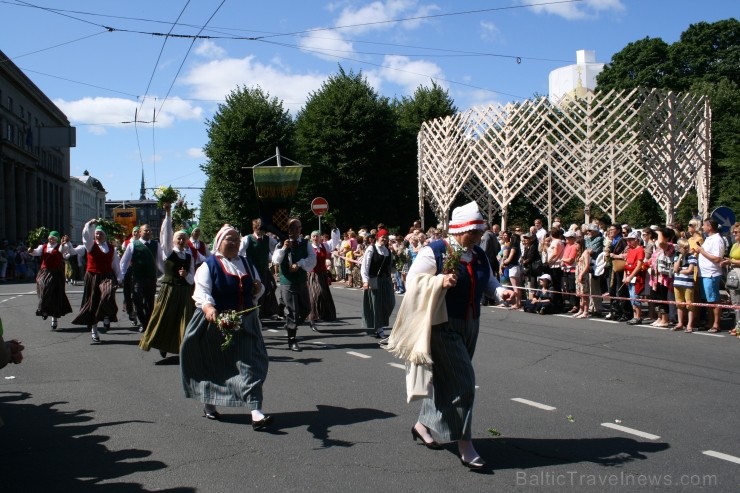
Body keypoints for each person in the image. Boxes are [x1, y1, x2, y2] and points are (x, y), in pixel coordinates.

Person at [386, 201, 514, 470]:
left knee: (449, 381)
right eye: (475, 232)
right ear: (460, 230)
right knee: (464, 382)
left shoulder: (477, 255)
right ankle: (464, 443)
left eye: (480, 232)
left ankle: (422, 425)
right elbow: (412, 282)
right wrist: (439, 281)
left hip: (471, 323)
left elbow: (488, 281)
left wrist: (502, 293)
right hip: (442, 325)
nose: (480, 237)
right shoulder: (435, 251)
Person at [180, 225, 273, 429]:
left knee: (252, 363)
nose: (234, 243)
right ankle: (209, 404)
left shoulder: (247, 264)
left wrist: (258, 288)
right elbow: (202, 292)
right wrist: (208, 307)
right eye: (229, 239)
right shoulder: (208, 265)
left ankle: (256, 412)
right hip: (217, 321)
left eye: (237, 240)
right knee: (215, 364)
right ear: (219, 241)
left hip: (245, 321)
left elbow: (257, 288)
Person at [139, 204, 195, 359]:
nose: (182, 240)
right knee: (164, 317)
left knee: (185, 319)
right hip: (169, 289)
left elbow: (192, 278)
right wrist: (168, 214)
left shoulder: (189, 256)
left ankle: (183, 347)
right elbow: (166, 235)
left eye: (184, 238)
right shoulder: (169, 252)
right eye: (179, 238)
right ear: (174, 240)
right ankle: (162, 344)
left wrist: (186, 276)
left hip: (184, 290)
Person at [70, 219, 123, 343]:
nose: (98, 235)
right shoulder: (90, 245)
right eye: (96, 233)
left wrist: (119, 277)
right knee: (93, 303)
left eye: (101, 233)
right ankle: (94, 329)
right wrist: (89, 224)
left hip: (107, 275)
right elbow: (85, 235)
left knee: (107, 293)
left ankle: (105, 315)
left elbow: (115, 264)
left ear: (105, 235)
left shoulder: (111, 248)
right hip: (93, 276)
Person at [271, 218, 316, 352]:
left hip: (301, 280)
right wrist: (284, 247)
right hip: (287, 282)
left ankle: (292, 324)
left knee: (306, 308)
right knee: (292, 312)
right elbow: (275, 260)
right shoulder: (281, 244)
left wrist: (300, 263)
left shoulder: (306, 243)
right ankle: (292, 340)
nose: (295, 231)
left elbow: (312, 259)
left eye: (298, 228)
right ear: (287, 230)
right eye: (292, 228)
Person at [120, 223, 162, 333]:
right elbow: (124, 262)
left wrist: (165, 274)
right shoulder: (133, 245)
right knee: (137, 300)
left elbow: (160, 262)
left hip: (151, 277)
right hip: (138, 277)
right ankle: (143, 321)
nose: (148, 232)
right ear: (140, 232)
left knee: (149, 302)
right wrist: (123, 276)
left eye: (149, 231)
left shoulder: (156, 245)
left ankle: (147, 323)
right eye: (145, 231)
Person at [27, 231, 73, 330]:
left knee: (55, 295)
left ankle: (54, 319)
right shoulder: (43, 247)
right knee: (43, 286)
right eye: (50, 238)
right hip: (44, 271)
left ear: (57, 239)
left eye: (54, 239)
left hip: (56, 273)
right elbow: (34, 252)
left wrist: (64, 243)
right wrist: (30, 249)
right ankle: (44, 309)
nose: (51, 240)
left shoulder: (60, 247)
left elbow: (65, 254)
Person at [240, 219, 280, 320]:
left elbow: (276, 249)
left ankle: (266, 312)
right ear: (255, 228)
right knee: (256, 292)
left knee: (271, 287)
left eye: (264, 229)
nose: (263, 231)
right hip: (252, 271)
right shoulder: (247, 239)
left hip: (264, 270)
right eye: (261, 229)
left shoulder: (268, 239)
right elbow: (239, 253)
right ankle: (255, 315)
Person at [361, 229, 395, 339]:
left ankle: (380, 324)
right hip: (374, 280)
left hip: (385, 281)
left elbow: (390, 267)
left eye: (386, 237)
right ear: (378, 237)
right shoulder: (371, 249)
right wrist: (365, 280)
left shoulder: (387, 251)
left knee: (390, 303)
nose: (384, 239)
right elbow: (365, 266)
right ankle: (379, 328)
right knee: (376, 305)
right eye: (382, 237)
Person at [693, 219, 725, 332]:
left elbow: (717, 258)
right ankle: (710, 322)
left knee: (714, 300)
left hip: (711, 274)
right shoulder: (708, 239)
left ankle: (716, 324)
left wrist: (702, 251)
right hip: (704, 273)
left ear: (710, 226)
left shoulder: (717, 239)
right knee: (708, 301)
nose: (702, 228)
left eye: (704, 226)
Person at [308, 230, 337, 329]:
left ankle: (324, 314)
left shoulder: (325, 246)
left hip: (322, 274)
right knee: (315, 294)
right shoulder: (309, 247)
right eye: (314, 236)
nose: (315, 238)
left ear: (320, 238)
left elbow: (335, 240)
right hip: (312, 274)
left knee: (324, 294)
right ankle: (312, 317)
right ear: (311, 238)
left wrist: (334, 229)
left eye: (317, 236)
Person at [673, 239, 697, 332]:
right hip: (677, 283)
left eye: (687, 248)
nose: (686, 250)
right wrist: (679, 257)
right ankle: (680, 323)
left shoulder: (692, 257)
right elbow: (675, 269)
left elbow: (689, 271)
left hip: (687, 284)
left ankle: (689, 324)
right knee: (679, 304)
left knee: (689, 304)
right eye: (684, 248)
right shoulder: (676, 256)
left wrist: (679, 271)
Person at [622, 231, 646, 325]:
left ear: (636, 240)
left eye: (631, 240)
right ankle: (634, 315)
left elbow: (639, 265)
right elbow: (626, 265)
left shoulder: (640, 250)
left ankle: (638, 316)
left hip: (636, 277)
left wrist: (631, 276)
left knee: (635, 296)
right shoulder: (630, 250)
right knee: (631, 296)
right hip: (629, 276)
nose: (629, 242)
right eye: (628, 240)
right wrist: (625, 277)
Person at [120, 226, 141, 326]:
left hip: (138, 270)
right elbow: (123, 258)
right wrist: (122, 274)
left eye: (137, 232)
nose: (136, 233)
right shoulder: (127, 243)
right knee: (128, 293)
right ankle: (131, 312)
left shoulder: (142, 243)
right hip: (129, 270)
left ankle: (136, 314)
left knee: (136, 293)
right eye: (134, 232)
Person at [723, 223, 740, 337]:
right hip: (733, 275)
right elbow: (732, 258)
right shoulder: (734, 245)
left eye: (736, 232)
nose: (734, 234)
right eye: (733, 232)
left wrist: (731, 261)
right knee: (735, 302)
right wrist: (727, 261)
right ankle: (737, 325)